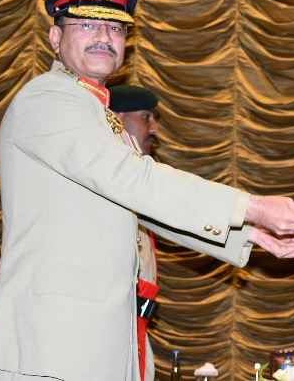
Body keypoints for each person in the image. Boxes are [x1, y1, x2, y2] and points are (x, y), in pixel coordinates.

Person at [0, 0, 294, 381]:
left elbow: (136, 204)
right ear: (55, 38)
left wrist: (250, 234)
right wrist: (254, 207)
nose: (104, 36)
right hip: (50, 344)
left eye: (115, 28)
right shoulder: (48, 97)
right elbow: (136, 181)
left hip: (94, 341)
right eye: (86, 25)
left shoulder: (96, 111)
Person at [108, 84, 161, 381]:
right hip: (109, 333)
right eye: (146, 117)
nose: (155, 129)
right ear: (116, 119)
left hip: (136, 329)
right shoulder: (100, 180)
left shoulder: (139, 180)